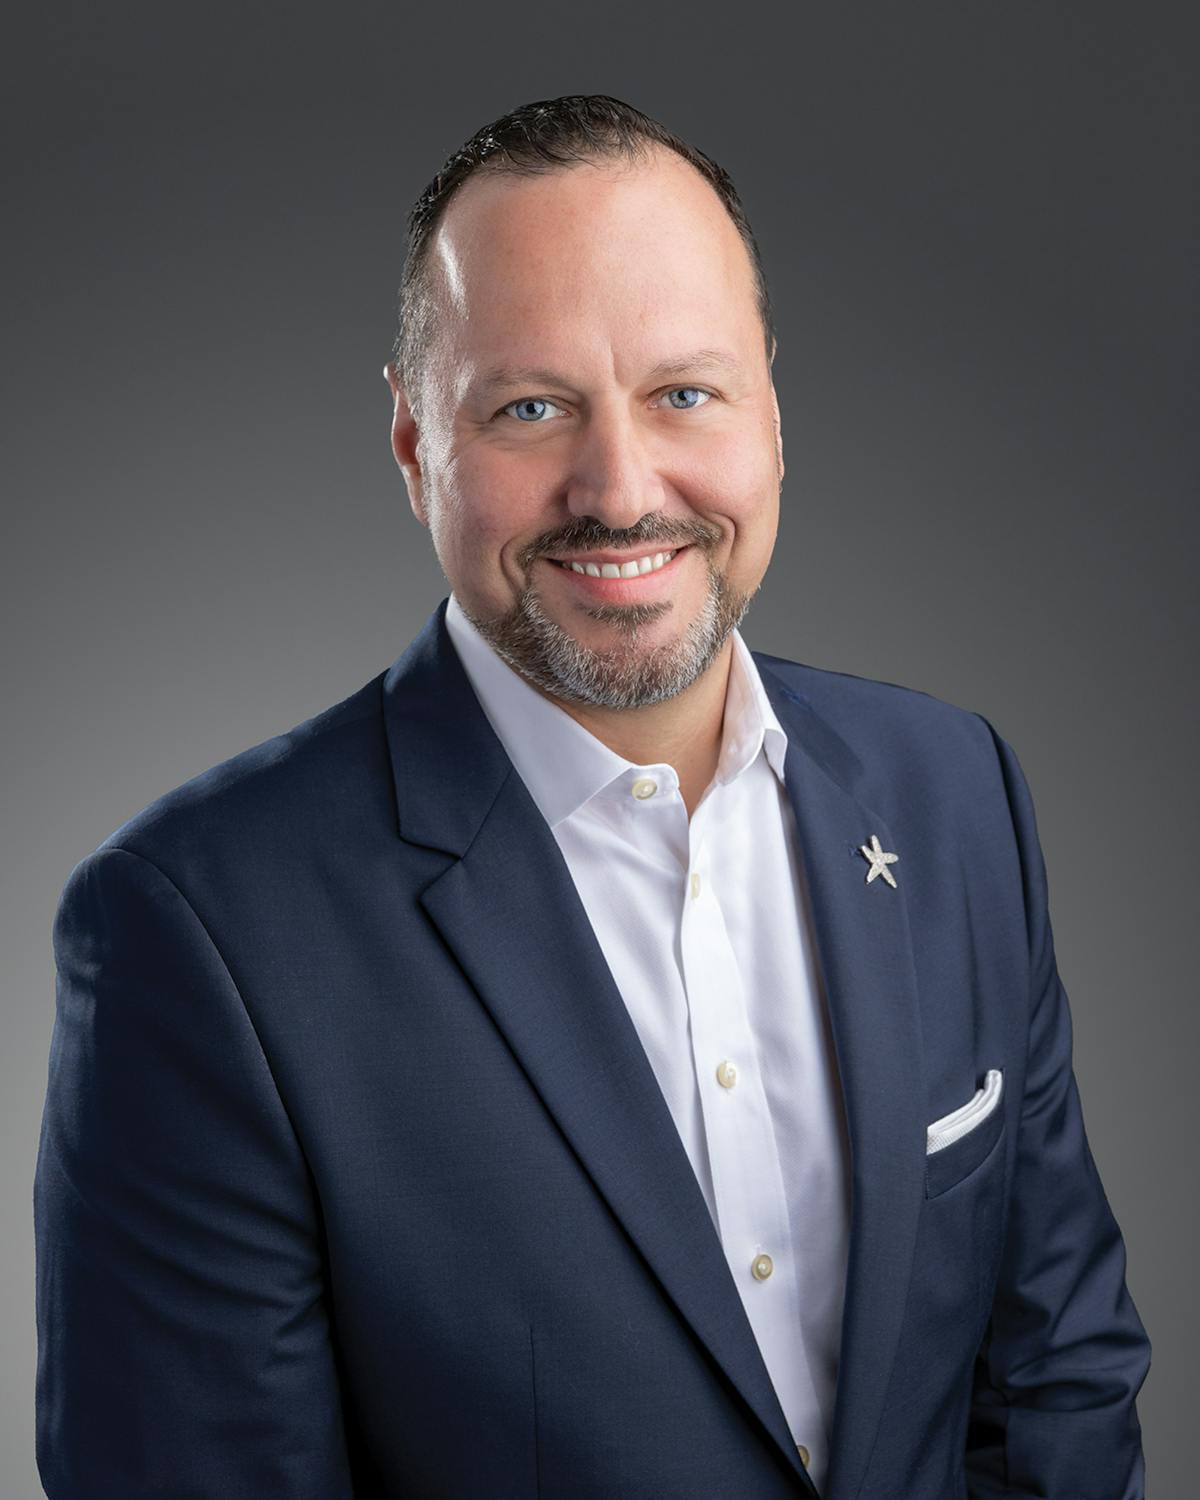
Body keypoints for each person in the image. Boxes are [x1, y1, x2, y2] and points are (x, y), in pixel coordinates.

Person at [34, 94, 1150, 1499]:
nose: (620, 490)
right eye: (531, 407)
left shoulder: (954, 793)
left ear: (772, 414)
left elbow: (1058, 1378)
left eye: (684, 392)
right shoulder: (197, 936)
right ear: (412, 440)